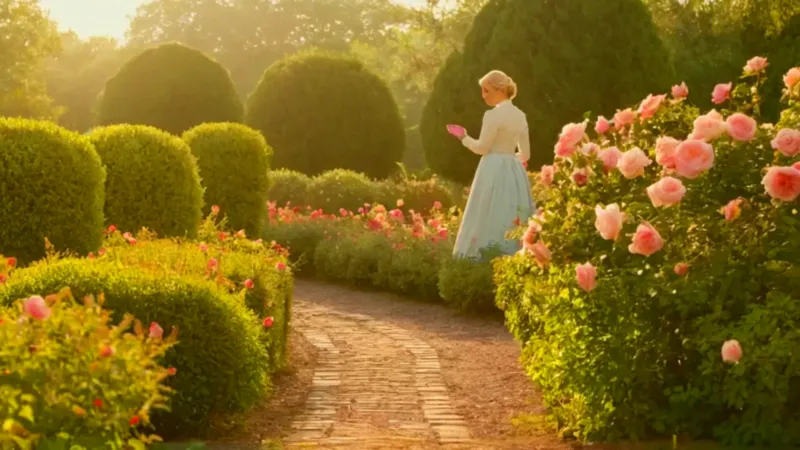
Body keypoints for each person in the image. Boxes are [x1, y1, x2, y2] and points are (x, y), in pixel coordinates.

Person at [448, 70, 535, 259]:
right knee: (513, 213)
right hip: (514, 172)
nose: (483, 96)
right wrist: (510, 161)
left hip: (492, 168)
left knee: (486, 212)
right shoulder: (520, 115)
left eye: (487, 91)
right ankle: (514, 259)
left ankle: (479, 260)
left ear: (500, 90)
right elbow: (526, 154)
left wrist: (463, 136)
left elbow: (482, 148)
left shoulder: (492, 115)